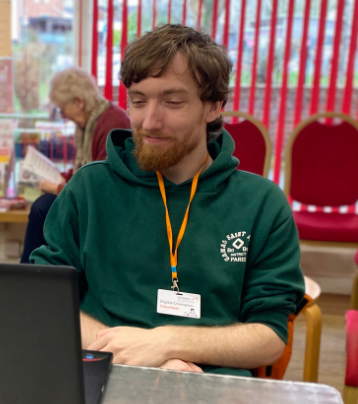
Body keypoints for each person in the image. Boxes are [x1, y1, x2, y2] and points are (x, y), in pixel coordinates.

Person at [31, 24, 306, 376]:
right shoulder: (89, 189)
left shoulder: (261, 205)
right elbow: (48, 300)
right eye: (138, 100)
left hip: (209, 383)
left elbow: (269, 337)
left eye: (172, 102)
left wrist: (167, 344)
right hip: (102, 369)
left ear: (214, 106)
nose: (149, 121)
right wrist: (138, 354)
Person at [20, 67, 130, 262]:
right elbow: (84, 170)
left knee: (42, 207)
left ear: (79, 102)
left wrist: (57, 187)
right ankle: (32, 274)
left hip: (106, 211)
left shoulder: (113, 123)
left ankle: (27, 276)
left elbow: (100, 183)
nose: (64, 116)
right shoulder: (91, 122)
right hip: (93, 203)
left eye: (63, 110)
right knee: (45, 207)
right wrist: (64, 176)